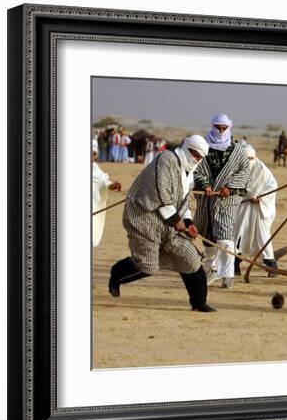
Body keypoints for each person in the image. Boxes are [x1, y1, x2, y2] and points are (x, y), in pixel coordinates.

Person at [108, 135, 216, 312]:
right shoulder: (165, 159)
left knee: (191, 259)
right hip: (145, 217)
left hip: (171, 222)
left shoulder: (189, 173)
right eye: (196, 155)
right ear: (187, 149)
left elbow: (184, 201)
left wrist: (188, 222)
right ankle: (117, 273)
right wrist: (176, 221)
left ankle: (198, 303)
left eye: (200, 157)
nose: (198, 160)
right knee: (147, 266)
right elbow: (161, 193)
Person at [194, 113, 250, 289]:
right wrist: (205, 185)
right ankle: (212, 270)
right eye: (218, 127)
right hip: (206, 199)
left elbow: (244, 171)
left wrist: (230, 188)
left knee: (225, 237)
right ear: (213, 126)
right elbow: (196, 168)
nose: (220, 130)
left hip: (228, 199)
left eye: (224, 128)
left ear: (229, 128)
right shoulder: (203, 146)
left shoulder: (237, 150)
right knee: (207, 236)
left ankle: (228, 275)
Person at [233, 144, 278, 277]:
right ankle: (235, 265)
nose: (249, 162)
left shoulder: (262, 170)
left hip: (260, 209)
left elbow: (272, 187)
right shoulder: (237, 169)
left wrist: (260, 198)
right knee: (239, 234)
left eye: (251, 158)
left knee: (262, 237)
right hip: (244, 207)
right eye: (246, 159)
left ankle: (271, 266)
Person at [92, 141, 121, 247]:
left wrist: (112, 186)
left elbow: (104, 181)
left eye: (94, 153)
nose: (91, 156)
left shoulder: (95, 169)